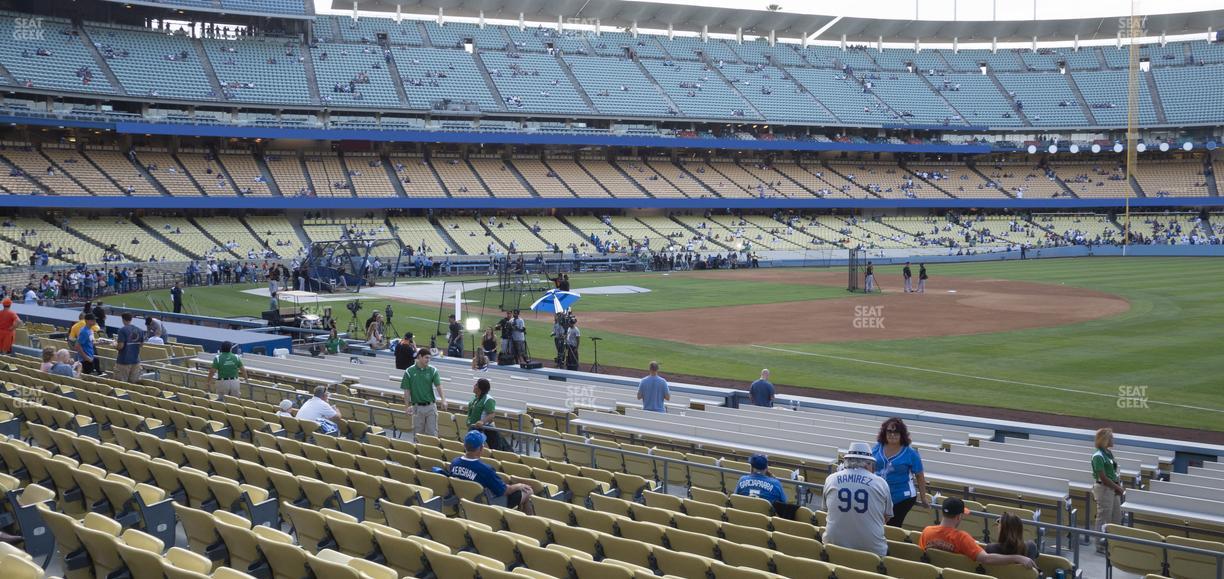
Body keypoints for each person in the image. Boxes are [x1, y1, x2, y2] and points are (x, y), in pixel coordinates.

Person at [920, 498, 1036, 570]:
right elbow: (986, 559)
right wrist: (1018, 557)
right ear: (959, 516)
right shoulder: (962, 538)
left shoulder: (926, 531)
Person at [823, 442, 893, 557]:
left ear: (847, 461)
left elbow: (827, 510)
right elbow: (886, 517)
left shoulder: (831, 479)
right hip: (872, 550)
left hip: (833, 545)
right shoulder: (880, 483)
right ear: (868, 463)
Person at [448, 430, 534, 514]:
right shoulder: (485, 469)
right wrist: (518, 486)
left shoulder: (454, 463)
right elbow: (504, 491)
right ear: (481, 448)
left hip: (465, 502)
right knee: (528, 491)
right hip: (490, 506)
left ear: (465, 445)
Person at [872, 417, 929, 528]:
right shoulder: (877, 448)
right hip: (879, 494)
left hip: (902, 496)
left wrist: (923, 497)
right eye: (889, 431)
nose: (892, 434)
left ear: (902, 434)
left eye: (896, 432)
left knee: (892, 527)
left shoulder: (910, 453)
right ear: (884, 432)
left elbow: (919, 475)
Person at [1092, 427, 1125, 553]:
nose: (1113, 439)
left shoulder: (1108, 453)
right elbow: (1103, 478)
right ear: (1105, 439)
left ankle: (1113, 542)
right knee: (1104, 517)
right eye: (1111, 437)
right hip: (1104, 489)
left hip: (1112, 488)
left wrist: (1117, 485)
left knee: (1116, 516)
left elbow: (1111, 472)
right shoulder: (1098, 456)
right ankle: (1100, 545)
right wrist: (1118, 487)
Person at [401, 348, 446, 438]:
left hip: (431, 407)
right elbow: (406, 391)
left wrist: (443, 399)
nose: (428, 360)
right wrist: (406, 407)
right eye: (426, 358)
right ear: (420, 357)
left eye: (429, 358)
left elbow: (438, 386)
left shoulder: (433, 370)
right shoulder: (409, 371)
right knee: (418, 435)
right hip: (417, 407)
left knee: (432, 434)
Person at [465, 378, 499, 449]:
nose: (474, 386)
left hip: (485, 430)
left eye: (476, 384)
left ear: (480, 388)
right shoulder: (475, 398)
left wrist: (482, 421)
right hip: (473, 427)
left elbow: (492, 414)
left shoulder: (488, 399)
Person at [114, 312, 144, 383]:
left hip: (124, 361)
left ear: (123, 320)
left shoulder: (122, 330)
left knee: (121, 385)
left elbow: (120, 346)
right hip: (136, 361)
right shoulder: (140, 330)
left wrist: (115, 346)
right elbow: (141, 345)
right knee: (132, 385)